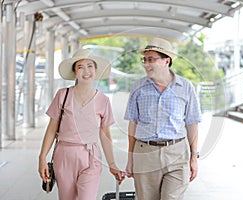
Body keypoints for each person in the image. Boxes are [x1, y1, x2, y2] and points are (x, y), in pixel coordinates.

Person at [38, 49, 125, 200]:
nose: (86, 71)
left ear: (96, 70)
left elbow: (105, 134)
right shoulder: (63, 95)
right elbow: (52, 129)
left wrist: (112, 163)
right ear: (74, 73)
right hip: (64, 155)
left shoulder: (103, 100)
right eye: (80, 67)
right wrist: (42, 158)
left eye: (90, 66)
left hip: (91, 156)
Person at [124, 37, 201, 200]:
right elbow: (133, 124)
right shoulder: (138, 88)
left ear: (167, 61)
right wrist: (130, 158)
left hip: (177, 152)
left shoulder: (186, 87)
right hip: (145, 153)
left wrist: (194, 156)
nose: (146, 64)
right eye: (144, 59)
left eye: (151, 59)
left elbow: (192, 123)